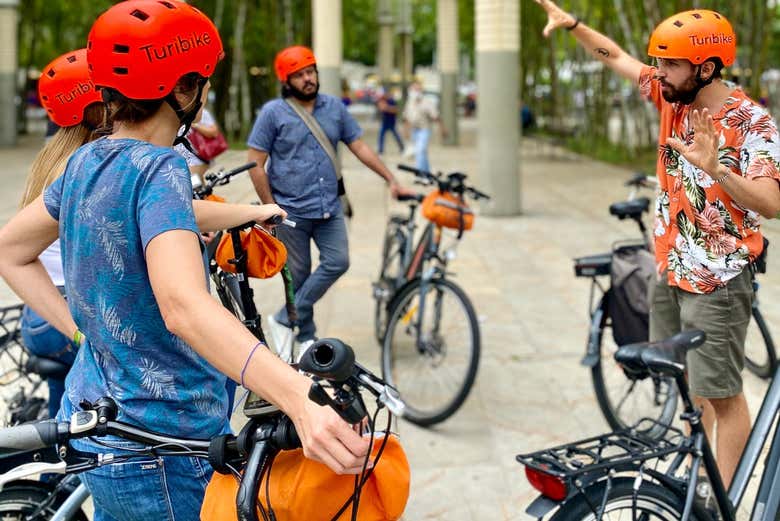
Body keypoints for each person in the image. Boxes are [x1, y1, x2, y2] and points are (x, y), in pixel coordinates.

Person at [0, 2, 369, 519]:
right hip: (161, 449)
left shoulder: (87, 159)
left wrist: (80, 332)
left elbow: (10, 250)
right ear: (182, 90)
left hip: (97, 429)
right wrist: (298, 396)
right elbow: (183, 307)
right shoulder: (162, 166)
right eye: (202, 83)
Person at [534, 0, 780, 488]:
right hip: (671, 268)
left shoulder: (753, 123)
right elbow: (617, 57)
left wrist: (716, 169)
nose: (658, 73)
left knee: (725, 396)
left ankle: (722, 502)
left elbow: (772, 204)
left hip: (718, 280)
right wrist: (576, 25)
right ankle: (697, 478)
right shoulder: (672, 95)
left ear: (706, 68)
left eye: (669, 64)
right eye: (660, 63)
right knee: (695, 389)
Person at [247, 45, 413, 359]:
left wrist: (390, 178)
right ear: (286, 80)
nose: (308, 79)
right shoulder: (272, 113)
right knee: (299, 275)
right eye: (300, 75)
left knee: (338, 262)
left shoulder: (335, 108)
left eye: (311, 72)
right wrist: (269, 206)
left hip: (329, 206)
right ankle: (306, 335)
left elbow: (360, 147)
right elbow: (256, 162)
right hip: (291, 210)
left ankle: (285, 317)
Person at [18, 48, 103, 420]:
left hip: (40, 314)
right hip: (67, 315)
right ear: (97, 107)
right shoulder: (89, 164)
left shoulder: (53, 154)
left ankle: (53, 470)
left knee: (63, 424)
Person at [402, 81, 446, 173]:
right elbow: (406, 118)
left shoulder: (427, 102)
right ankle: (426, 172)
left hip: (424, 130)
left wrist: (442, 129)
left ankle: (420, 173)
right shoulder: (409, 102)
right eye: (413, 89)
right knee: (421, 152)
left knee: (420, 150)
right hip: (414, 130)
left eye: (417, 89)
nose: (415, 91)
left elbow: (436, 117)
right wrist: (406, 131)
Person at [174, 106, 221, 183]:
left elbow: (214, 132)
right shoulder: (174, 113)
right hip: (181, 158)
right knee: (197, 187)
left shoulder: (201, 112)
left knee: (193, 183)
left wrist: (194, 125)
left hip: (197, 157)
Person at [376, 90, 404, 154]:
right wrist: (384, 107)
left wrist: (387, 108)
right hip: (384, 122)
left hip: (391, 122)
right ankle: (380, 149)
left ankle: (402, 147)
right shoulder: (382, 101)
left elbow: (395, 110)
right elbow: (381, 108)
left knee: (396, 135)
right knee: (381, 136)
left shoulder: (392, 101)